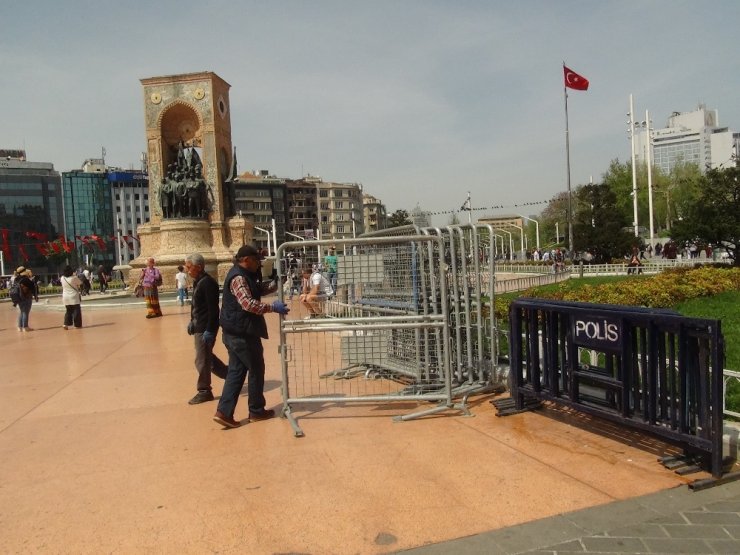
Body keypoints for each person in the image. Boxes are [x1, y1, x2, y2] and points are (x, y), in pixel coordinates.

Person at [213, 245, 289, 428]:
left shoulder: (243, 274)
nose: (258, 265)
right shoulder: (238, 277)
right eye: (256, 261)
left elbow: (256, 290)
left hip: (236, 332)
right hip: (242, 333)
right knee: (256, 369)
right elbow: (248, 303)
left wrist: (275, 283)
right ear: (246, 260)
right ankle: (256, 410)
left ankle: (223, 412)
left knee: (236, 372)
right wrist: (272, 308)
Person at [184, 253, 228, 405]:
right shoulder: (198, 281)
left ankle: (204, 390)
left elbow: (213, 309)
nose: (187, 270)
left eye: (189, 267)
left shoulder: (208, 283)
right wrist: (192, 321)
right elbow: (196, 305)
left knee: (201, 359)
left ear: (198, 267)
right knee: (206, 357)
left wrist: (210, 329)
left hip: (205, 327)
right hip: (199, 325)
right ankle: (230, 374)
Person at [15, 267, 39, 332]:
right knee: (25, 312)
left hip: (19, 297)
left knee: (22, 312)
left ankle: (19, 327)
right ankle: (25, 327)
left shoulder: (16, 279)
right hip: (26, 297)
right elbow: (33, 287)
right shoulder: (26, 279)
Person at [61, 265, 83, 329]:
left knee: (68, 311)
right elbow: (80, 283)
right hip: (73, 296)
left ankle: (66, 324)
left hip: (65, 296)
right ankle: (77, 325)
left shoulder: (62, 278)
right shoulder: (74, 278)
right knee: (76, 311)